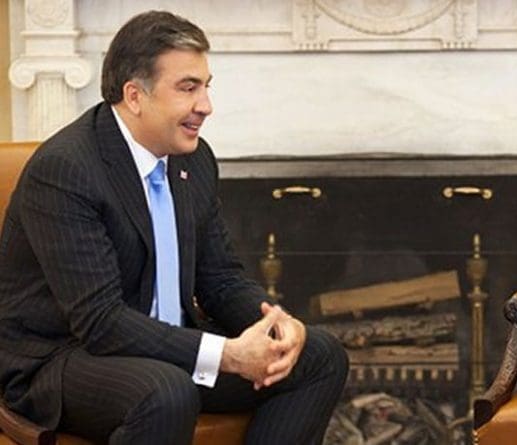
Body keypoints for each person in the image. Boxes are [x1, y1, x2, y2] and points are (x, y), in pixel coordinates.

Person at [0, 10, 348, 445]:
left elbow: (220, 278)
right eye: (188, 87)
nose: (206, 105)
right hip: (60, 359)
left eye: (206, 86)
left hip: (166, 350)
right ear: (134, 95)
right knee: (166, 392)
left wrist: (278, 326)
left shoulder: (193, 158)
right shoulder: (66, 170)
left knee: (318, 356)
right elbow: (101, 322)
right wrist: (228, 355)